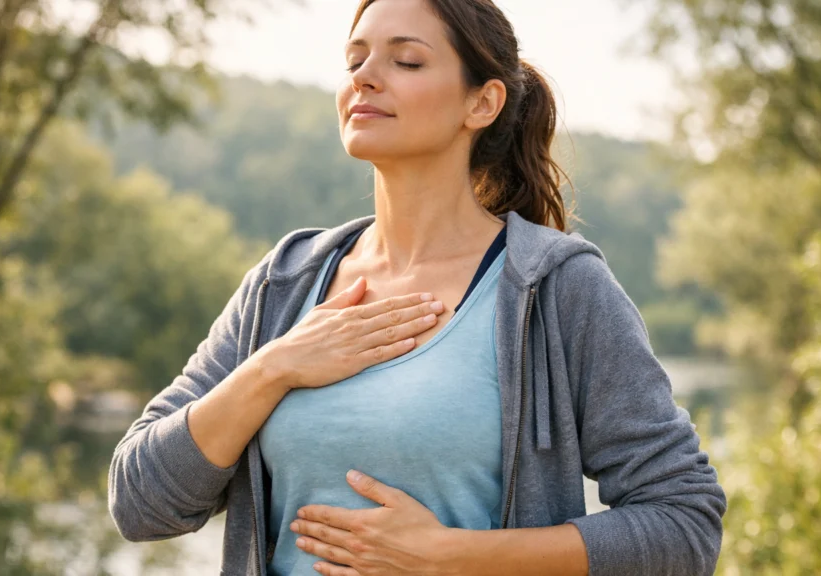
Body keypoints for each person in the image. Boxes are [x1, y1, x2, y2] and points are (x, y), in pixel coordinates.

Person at [107, 0, 727, 574]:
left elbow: (684, 523)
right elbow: (140, 504)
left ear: (481, 104)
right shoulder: (285, 283)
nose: (365, 78)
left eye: (405, 61)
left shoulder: (557, 288)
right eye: (354, 61)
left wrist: (454, 557)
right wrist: (274, 368)